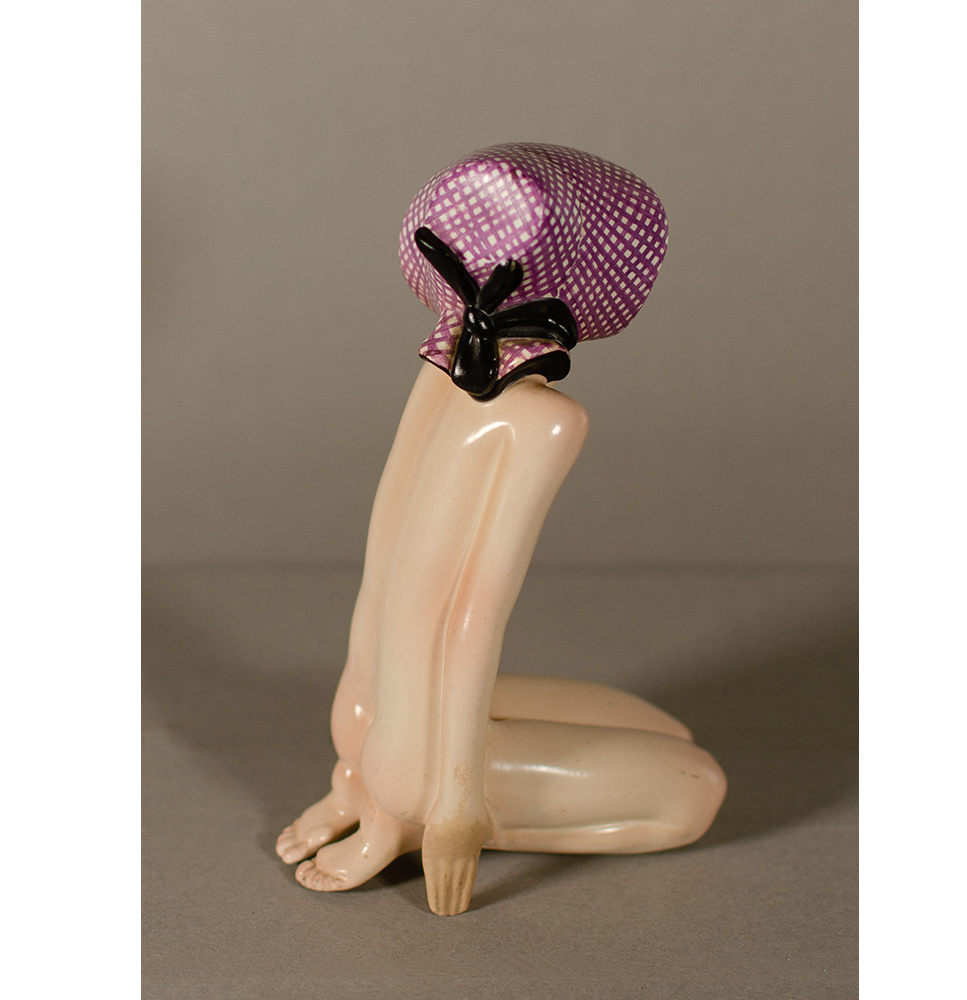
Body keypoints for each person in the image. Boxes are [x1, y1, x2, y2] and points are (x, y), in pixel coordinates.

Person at [276, 145, 726, 916]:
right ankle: (398, 819)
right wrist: (454, 805)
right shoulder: (543, 421)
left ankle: (355, 785)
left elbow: (385, 559)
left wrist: (359, 759)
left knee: (667, 727)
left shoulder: (441, 366)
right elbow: (469, 618)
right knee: (696, 788)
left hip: (362, 714)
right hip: (415, 768)